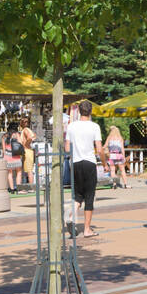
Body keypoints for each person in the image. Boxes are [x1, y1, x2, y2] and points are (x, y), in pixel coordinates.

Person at [63, 100, 104, 237]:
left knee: (77, 195)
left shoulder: (71, 126)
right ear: (90, 111)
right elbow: (99, 148)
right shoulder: (95, 127)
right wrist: (104, 162)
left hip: (75, 163)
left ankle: (70, 215)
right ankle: (87, 229)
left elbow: (67, 148)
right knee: (89, 196)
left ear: (79, 111)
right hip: (89, 163)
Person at [5, 124, 25, 193]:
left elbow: (3, 148)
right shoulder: (17, 134)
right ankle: (19, 189)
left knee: (10, 173)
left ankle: (12, 189)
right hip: (16, 156)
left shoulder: (5, 136)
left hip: (7, 156)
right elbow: (20, 143)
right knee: (19, 172)